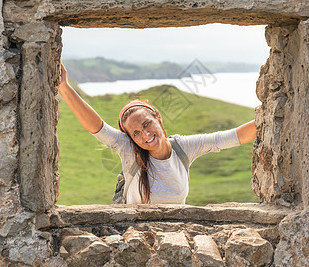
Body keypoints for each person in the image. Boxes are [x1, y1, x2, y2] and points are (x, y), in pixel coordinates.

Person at [58, 63, 257, 204]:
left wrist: (272, 114)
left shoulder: (183, 148)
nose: (145, 135)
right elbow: (96, 126)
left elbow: (234, 136)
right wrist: (64, 87)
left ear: (158, 118)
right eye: (135, 133)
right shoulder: (129, 150)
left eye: (147, 124)